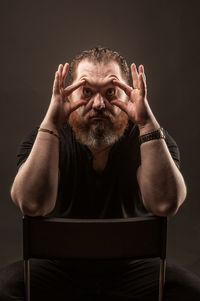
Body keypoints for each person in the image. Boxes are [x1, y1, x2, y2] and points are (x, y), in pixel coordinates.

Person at [0, 47, 200, 300]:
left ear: (128, 96)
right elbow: (31, 203)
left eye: (110, 92)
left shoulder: (150, 138)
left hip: (134, 268)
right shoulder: (43, 138)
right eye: (86, 92)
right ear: (69, 95)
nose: (98, 104)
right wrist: (50, 123)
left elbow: (165, 203)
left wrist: (147, 123)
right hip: (56, 268)